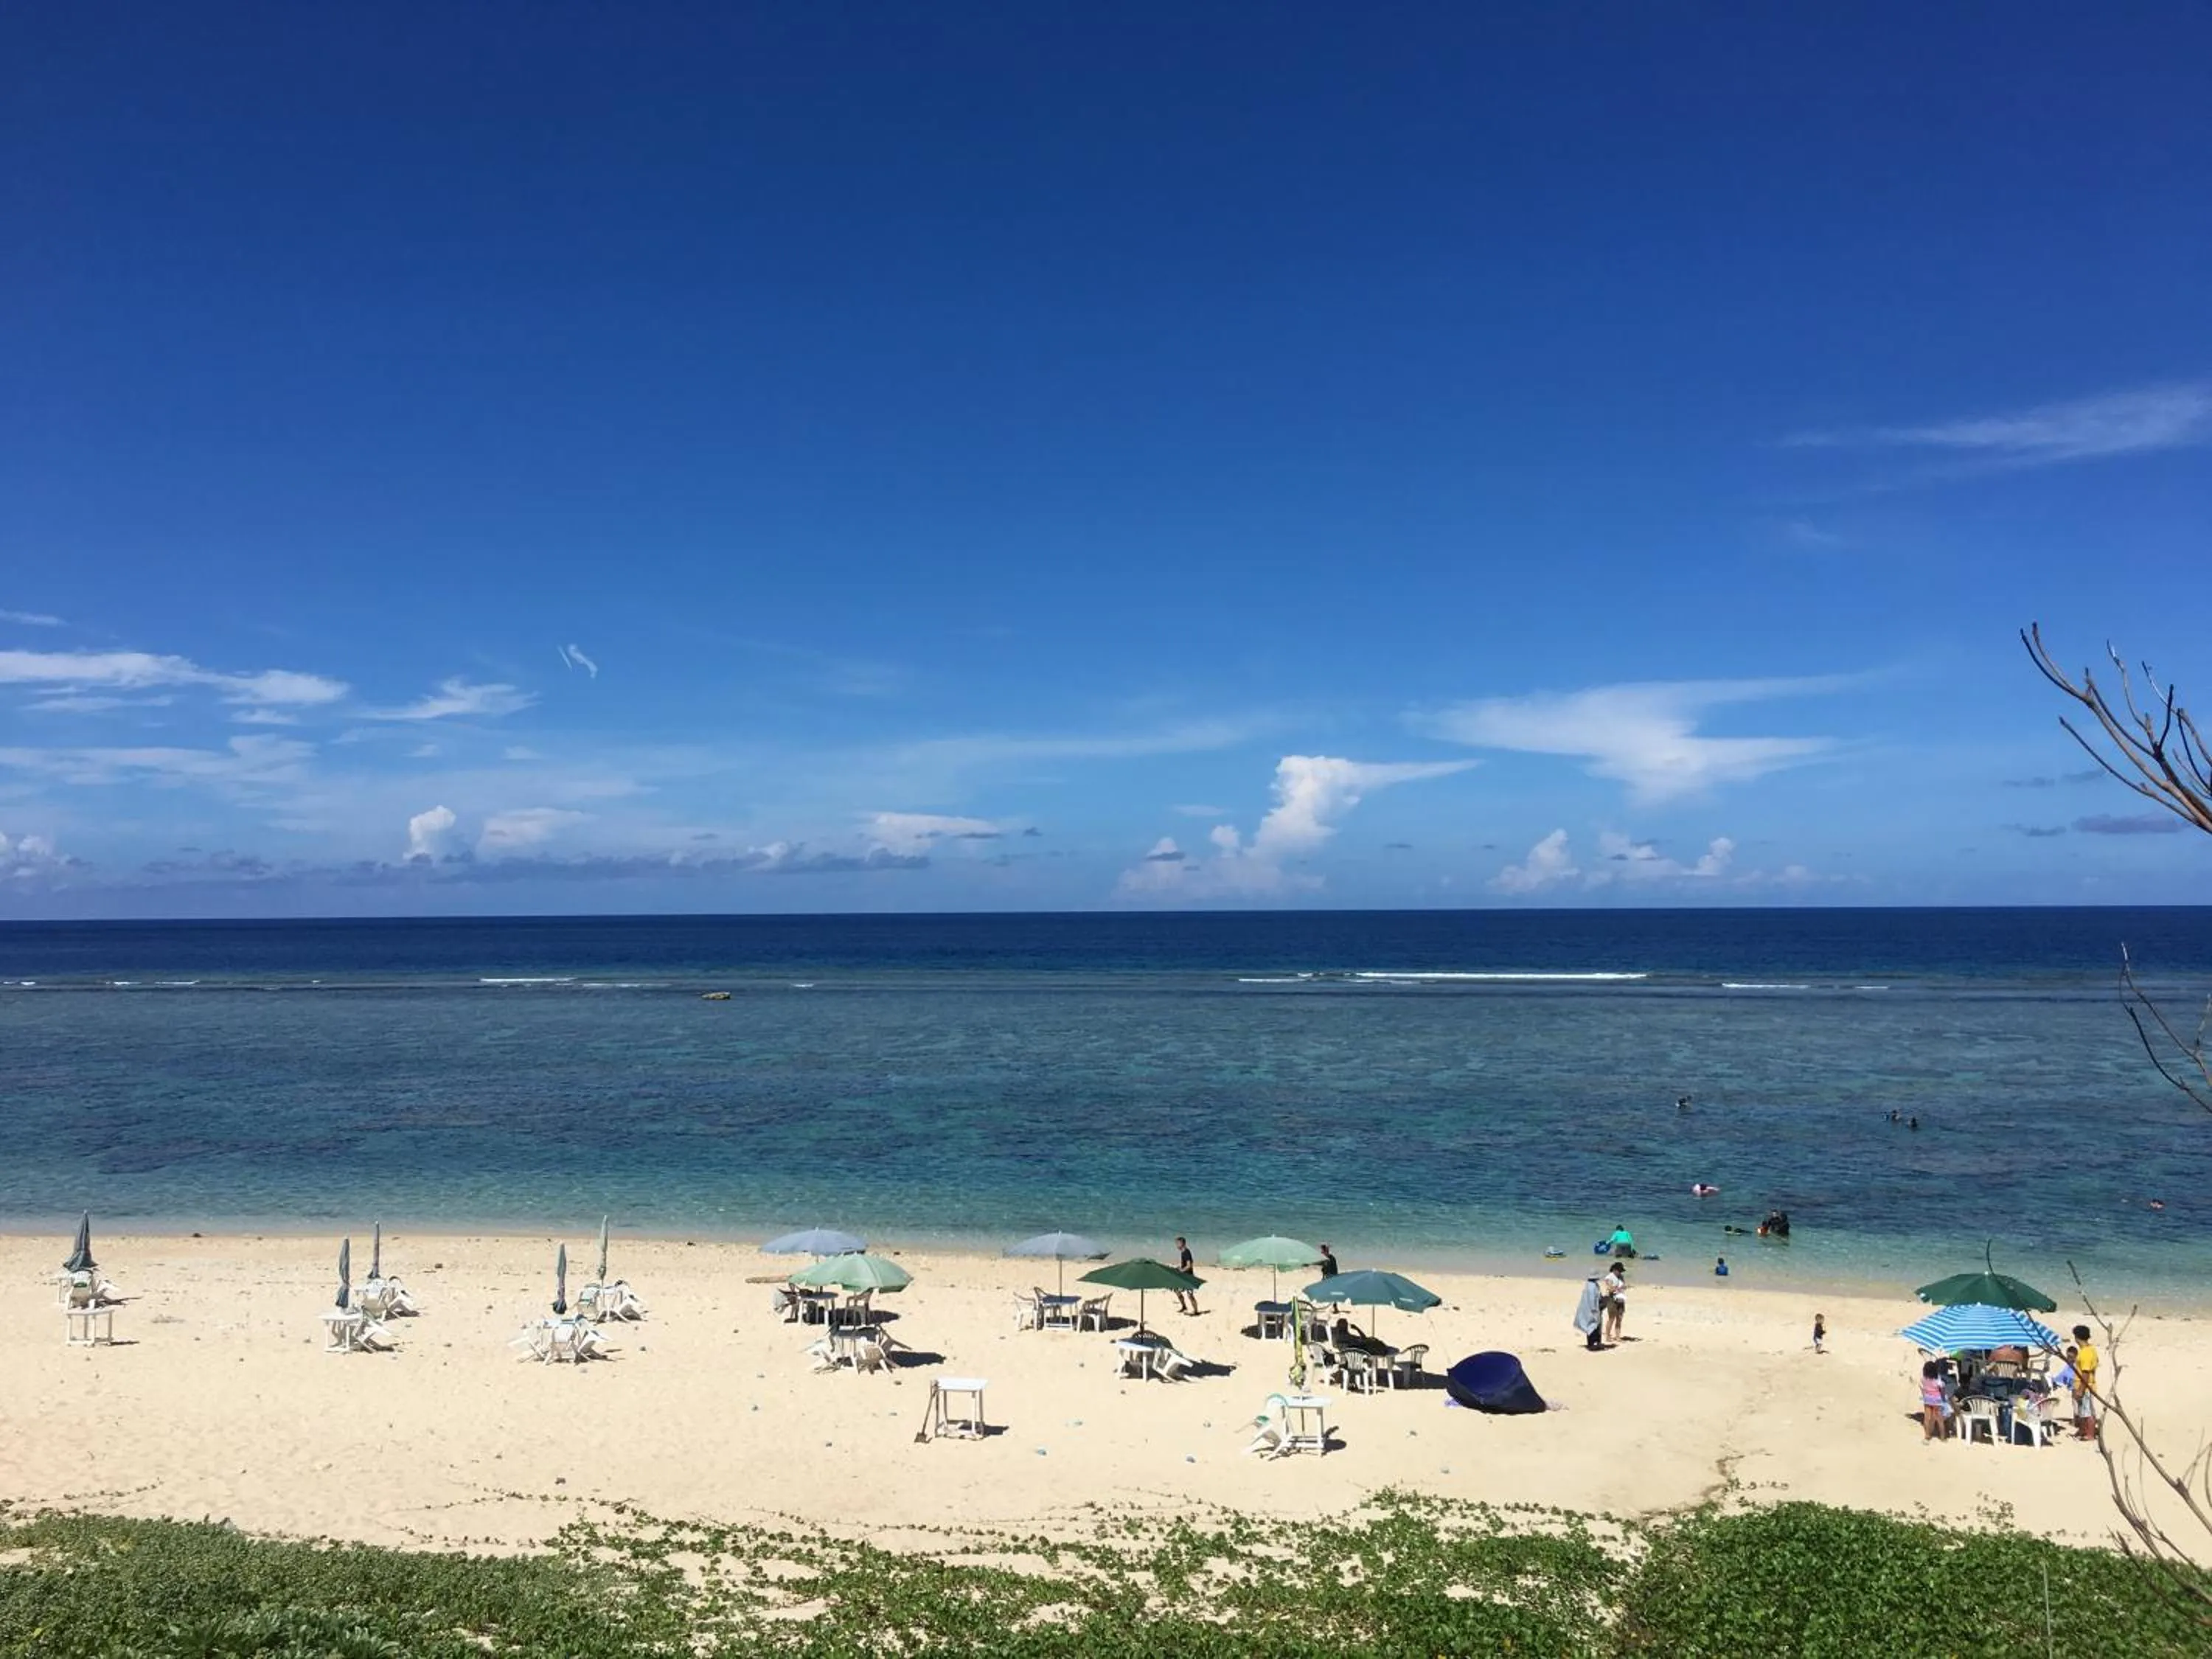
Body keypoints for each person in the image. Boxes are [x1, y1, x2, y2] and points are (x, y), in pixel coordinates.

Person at [2070, 1324, 2100, 1439]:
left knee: (2087, 1412)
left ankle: (2090, 1434)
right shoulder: (2090, 1349)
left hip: (2086, 1386)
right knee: (2083, 1411)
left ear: (2077, 1337)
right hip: (2086, 1385)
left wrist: (2081, 1390)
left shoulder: (2085, 1353)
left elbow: (2086, 1373)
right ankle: (2083, 1430)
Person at [1919, 1360, 1953, 1441]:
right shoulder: (1937, 1380)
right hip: (1937, 1401)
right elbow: (1942, 1389)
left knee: (1927, 1418)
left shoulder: (1923, 1379)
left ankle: (1927, 1435)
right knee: (1939, 1419)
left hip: (1927, 1400)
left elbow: (1922, 1388)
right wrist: (1944, 1399)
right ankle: (1942, 1437)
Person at [1573, 1274, 1604, 1350]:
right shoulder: (1592, 1286)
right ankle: (1592, 1344)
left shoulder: (1591, 1285)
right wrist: (1594, 1309)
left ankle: (1595, 1343)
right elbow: (1592, 1299)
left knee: (1594, 1326)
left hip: (1592, 1308)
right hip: (1592, 1309)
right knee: (1593, 1326)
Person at [1172, 1236, 1200, 1315]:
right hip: (1184, 1276)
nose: (1176, 1245)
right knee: (1176, 1289)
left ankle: (1196, 1311)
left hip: (1188, 1277)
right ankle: (1184, 1306)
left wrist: (1181, 1270)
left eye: (1177, 1243)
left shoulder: (1186, 1252)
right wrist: (1179, 1268)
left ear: (1182, 1244)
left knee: (1190, 1295)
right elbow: (1185, 1265)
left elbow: (1189, 1265)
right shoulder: (1183, 1252)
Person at [1602, 1262, 1628, 1343]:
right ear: (1614, 1270)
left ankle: (1618, 1337)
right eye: (1619, 1271)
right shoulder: (1609, 1277)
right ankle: (1607, 1336)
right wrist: (1618, 1288)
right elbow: (1610, 1289)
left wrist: (1623, 1288)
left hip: (1621, 1298)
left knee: (1619, 1318)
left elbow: (1623, 1287)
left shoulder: (1621, 1277)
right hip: (1612, 1299)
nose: (1620, 1273)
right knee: (1611, 1318)